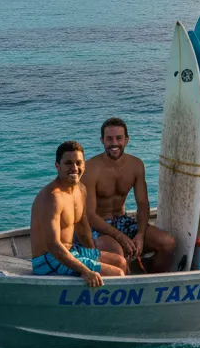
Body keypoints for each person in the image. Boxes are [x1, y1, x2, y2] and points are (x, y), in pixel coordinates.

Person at [83, 117, 176, 273]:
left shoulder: (136, 165)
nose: (114, 143)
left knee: (168, 243)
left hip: (122, 221)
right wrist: (120, 237)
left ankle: (154, 283)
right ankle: (128, 288)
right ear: (102, 140)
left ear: (126, 140)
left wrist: (139, 234)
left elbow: (143, 204)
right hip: (98, 226)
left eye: (119, 138)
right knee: (118, 256)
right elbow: (90, 216)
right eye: (109, 138)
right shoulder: (90, 168)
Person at [30, 141, 127, 283]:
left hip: (72, 251)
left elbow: (82, 228)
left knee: (121, 262)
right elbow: (53, 245)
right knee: (117, 274)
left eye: (78, 163)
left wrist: (92, 254)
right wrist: (86, 271)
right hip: (48, 260)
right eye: (68, 163)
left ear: (84, 165)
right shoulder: (52, 197)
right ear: (57, 166)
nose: (74, 168)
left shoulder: (80, 189)